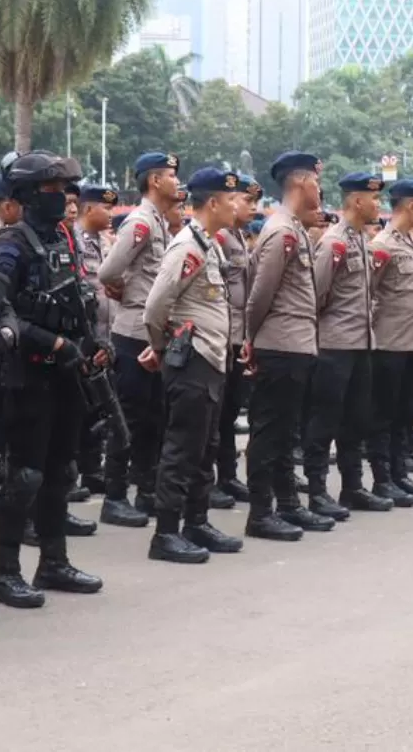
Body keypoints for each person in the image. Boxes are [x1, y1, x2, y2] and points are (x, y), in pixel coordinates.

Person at [0, 151, 106, 607]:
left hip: (67, 373)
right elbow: (0, 310)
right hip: (27, 374)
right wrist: (50, 343)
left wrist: (89, 343)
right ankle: (4, 572)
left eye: (63, 189)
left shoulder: (63, 238)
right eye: (52, 190)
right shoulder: (11, 243)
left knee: (62, 471)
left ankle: (53, 561)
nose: (62, 198)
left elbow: (77, 298)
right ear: (30, 195)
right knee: (25, 475)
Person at [142, 167, 248, 563]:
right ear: (215, 202)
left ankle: (196, 522)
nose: (238, 205)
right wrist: (160, 345)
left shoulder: (211, 245)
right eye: (231, 198)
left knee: (207, 446)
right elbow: (156, 306)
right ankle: (166, 533)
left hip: (212, 359)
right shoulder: (187, 246)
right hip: (192, 360)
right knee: (182, 447)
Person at [242, 152, 332, 541]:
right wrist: (251, 338)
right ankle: (261, 512)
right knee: (269, 432)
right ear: (299, 183)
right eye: (315, 181)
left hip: (295, 344)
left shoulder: (292, 228)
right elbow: (261, 294)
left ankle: (289, 505)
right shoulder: (282, 232)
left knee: (285, 432)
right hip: (279, 345)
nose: (319, 188)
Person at [95, 151, 180, 529]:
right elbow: (108, 269)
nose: (177, 182)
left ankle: (144, 488)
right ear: (155, 181)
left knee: (152, 417)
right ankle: (114, 496)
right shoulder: (141, 223)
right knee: (127, 417)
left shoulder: (160, 222)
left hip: (153, 333)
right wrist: (124, 289)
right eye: (172, 175)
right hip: (131, 333)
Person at [305, 173, 391, 516]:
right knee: (324, 420)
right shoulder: (334, 243)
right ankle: (316, 489)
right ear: (357, 202)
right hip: (334, 345)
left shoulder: (358, 241)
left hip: (360, 344)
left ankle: (352, 487)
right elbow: (317, 296)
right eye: (373, 199)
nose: (378, 205)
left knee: (356, 419)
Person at [368, 179, 413, 502]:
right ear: (410, 206)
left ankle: (399, 474)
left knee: (404, 415)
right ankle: (383, 478)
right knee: (384, 415)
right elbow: (367, 293)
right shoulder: (382, 245)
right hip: (389, 345)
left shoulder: (410, 243)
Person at [209, 176, 260, 507]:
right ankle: (212, 479)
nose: (252, 207)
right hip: (222, 335)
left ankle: (228, 475)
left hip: (238, 335)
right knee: (215, 414)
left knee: (228, 414)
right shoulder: (220, 236)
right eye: (246, 200)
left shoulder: (240, 237)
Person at [73, 184, 119, 497]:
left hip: (105, 336)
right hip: (83, 338)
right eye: (106, 208)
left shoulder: (106, 242)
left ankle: (92, 469)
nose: (111, 214)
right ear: (89, 209)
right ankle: (74, 472)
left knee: (101, 409)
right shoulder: (73, 241)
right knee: (80, 409)